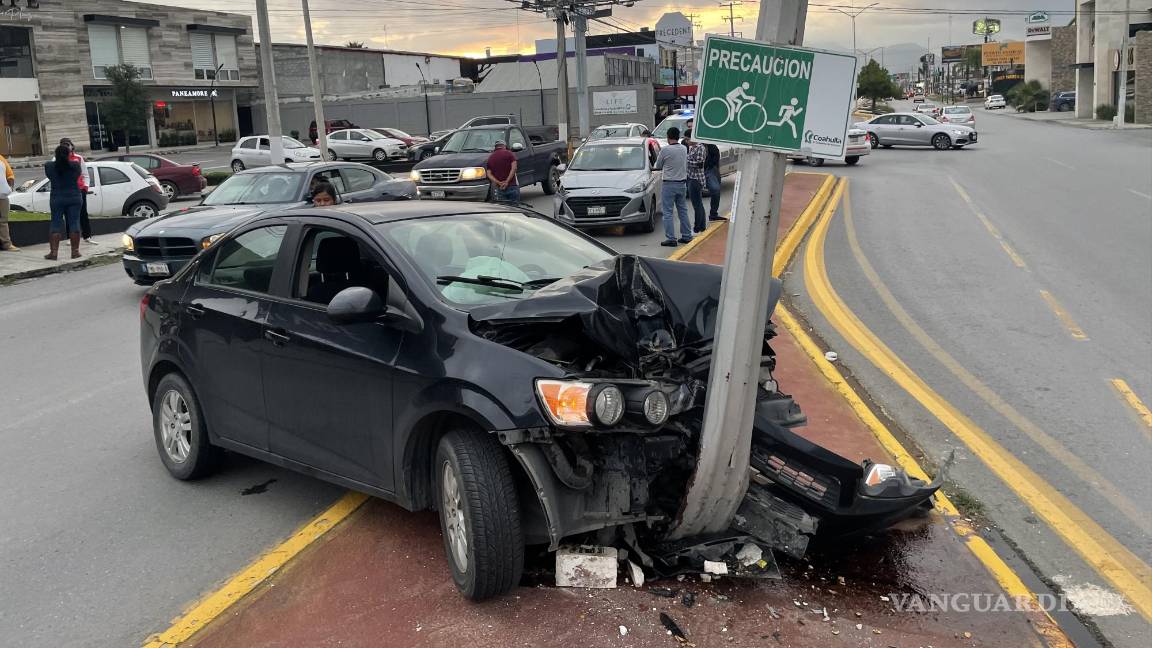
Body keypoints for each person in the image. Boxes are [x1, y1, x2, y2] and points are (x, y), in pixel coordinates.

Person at [43, 145, 84, 260]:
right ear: (69, 154)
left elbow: (50, 176)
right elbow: (77, 175)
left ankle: (54, 253)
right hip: (74, 196)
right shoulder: (75, 165)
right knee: (74, 222)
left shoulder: (49, 166)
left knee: (55, 223)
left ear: (55, 155)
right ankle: (75, 251)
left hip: (57, 197)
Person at [653, 126, 691, 247]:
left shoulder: (665, 150)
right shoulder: (684, 148)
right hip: (682, 184)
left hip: (669, 184)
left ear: (668, 137)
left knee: (668, 212)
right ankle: (687, 236)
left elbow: (658, 165)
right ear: (678, 137)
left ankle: (671, 238)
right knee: (683, 211)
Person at [60, 138, 93, 244]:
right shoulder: (57, 159)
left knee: (83, 213)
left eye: (68, 144)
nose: (66, 147)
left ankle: (87, 236)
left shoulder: (78, 158)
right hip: (66, 191)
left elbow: (85, 174)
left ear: (72, 146)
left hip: (79, 190)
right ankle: (70, 237)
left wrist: (85, 188)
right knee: (68, 214)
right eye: (64, 145)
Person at [683, 129, 707, 234]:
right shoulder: (692, 148)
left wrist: (686, 161)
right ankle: (702, 226)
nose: (686, 141)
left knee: (697, 205)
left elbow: (699, 164)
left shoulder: (700, 147)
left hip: (696, 179)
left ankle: (697, 228)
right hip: (691, 177)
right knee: (698, 204)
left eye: (687, 139)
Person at [0, 152, 18, 251]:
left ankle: (6, 244)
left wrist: (10, 187)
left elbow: (10, 175)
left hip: (2, 195)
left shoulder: (1, 159)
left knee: (3, 221)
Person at [703, 142, 725, 222]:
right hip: (696, 171)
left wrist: (710, 166)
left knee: (716, 190)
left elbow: (715, 158)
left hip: (710, 170)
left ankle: (713, 214)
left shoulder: (711, 146)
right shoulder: (689, 145)